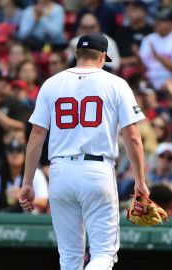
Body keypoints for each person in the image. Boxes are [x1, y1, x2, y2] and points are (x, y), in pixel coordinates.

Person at [19, 33, 149, 270]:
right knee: (103, 254)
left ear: (76, 55)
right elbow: (132, 137)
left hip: (60, 172)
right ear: (102, 57)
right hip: (96, 169)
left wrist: (27, 181)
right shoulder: (116, 83)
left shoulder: (51, 83)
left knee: (69, 258)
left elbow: (36, 135)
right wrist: (140, 180)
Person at [0, 138, 48, 213]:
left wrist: (21, 197)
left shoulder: (35, 174)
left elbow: (44, 202)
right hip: (2, 222)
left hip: (30, 222)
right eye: (11, 151)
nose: (15, 154)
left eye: (19, 151)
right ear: (5, 155)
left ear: (25, 155)